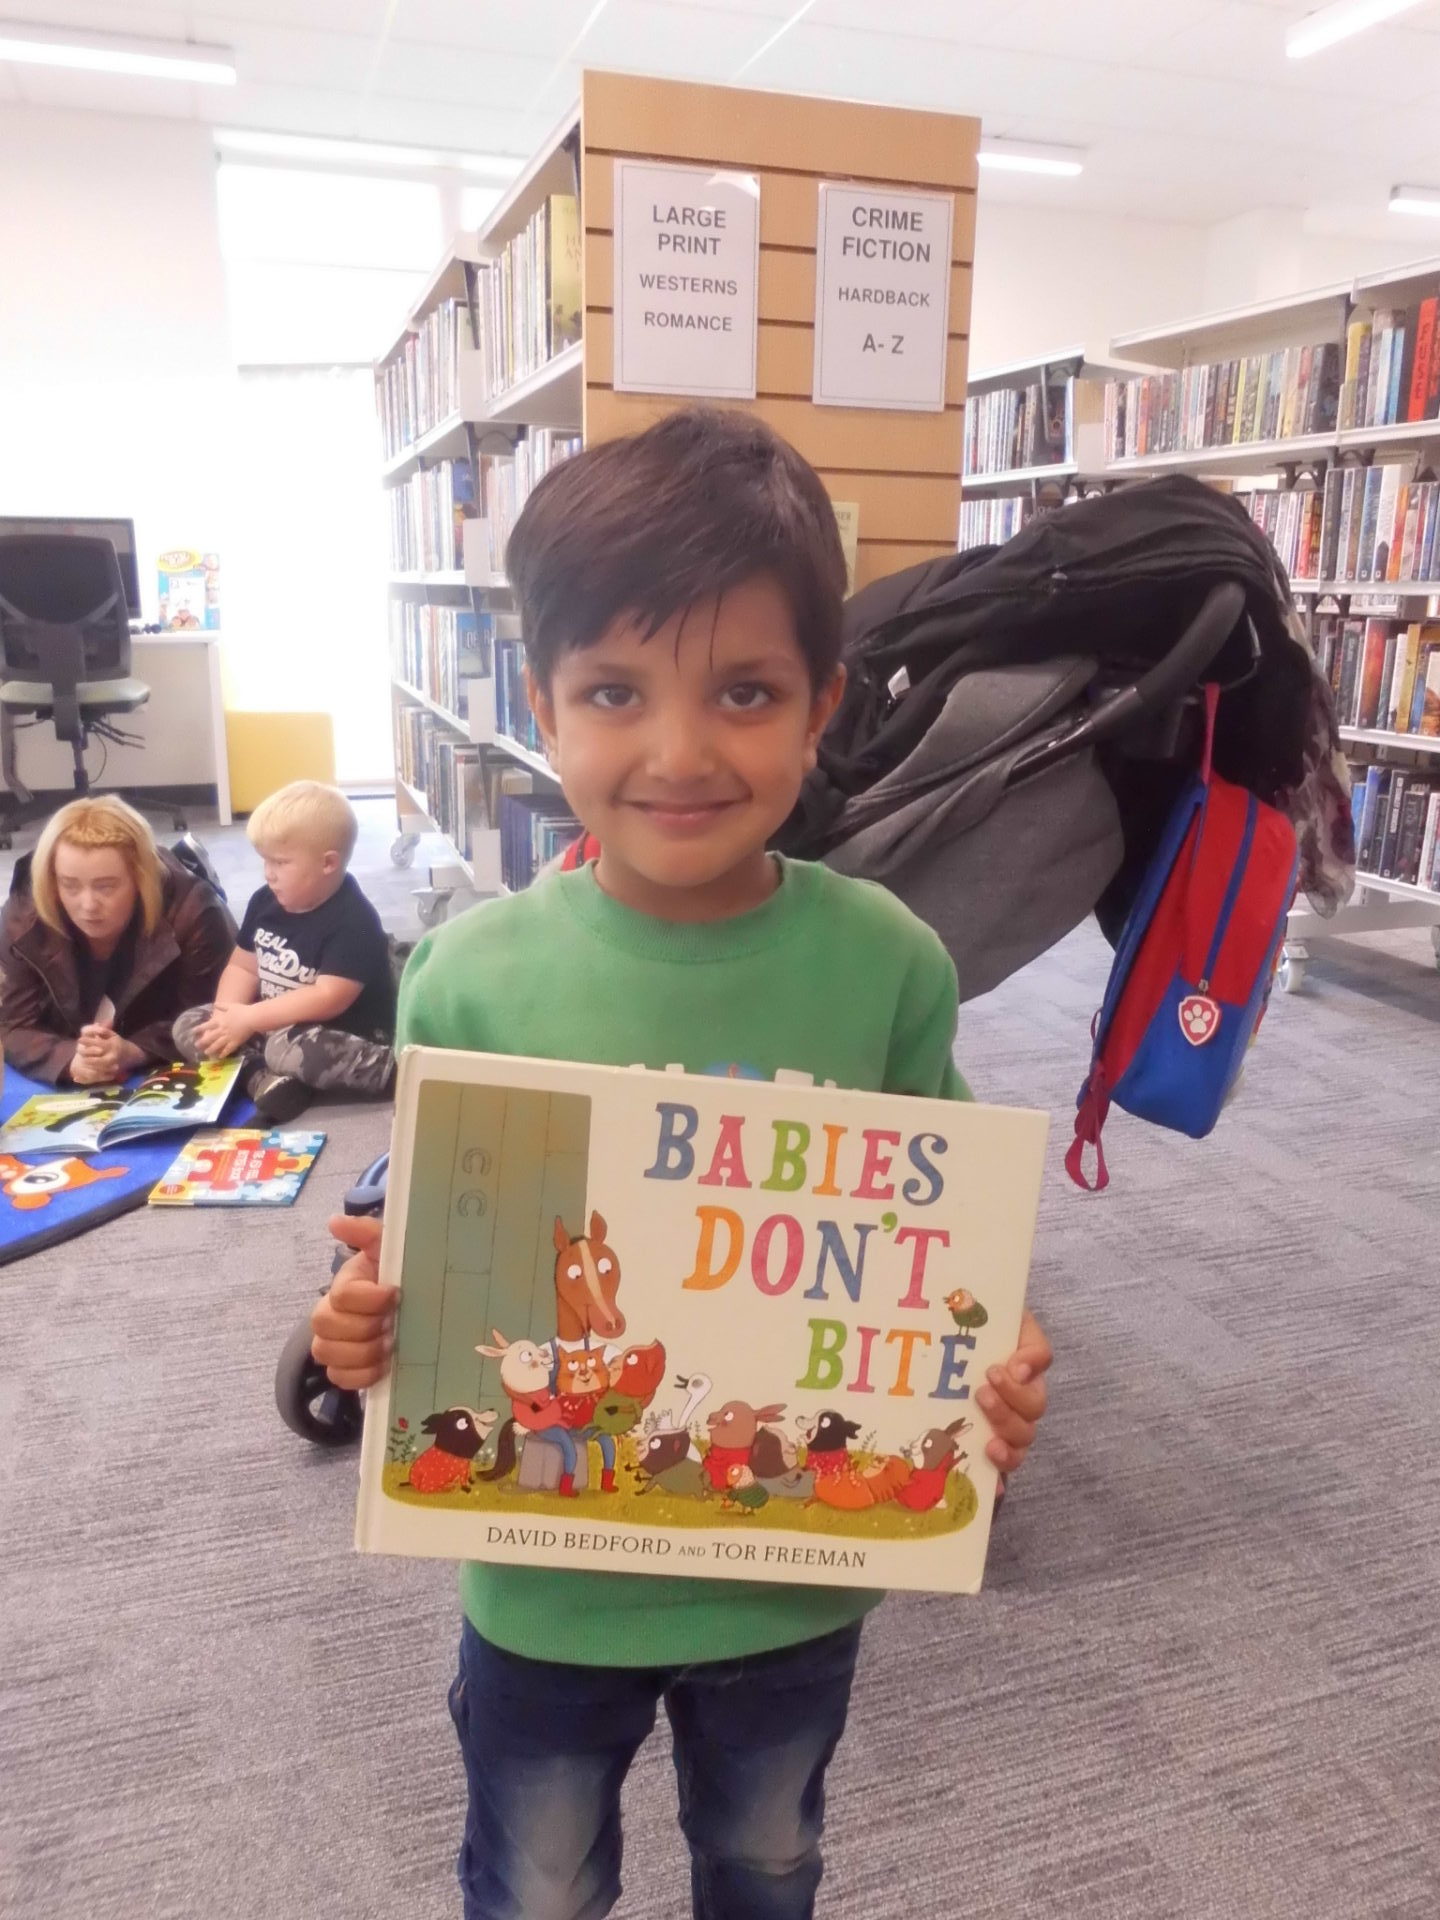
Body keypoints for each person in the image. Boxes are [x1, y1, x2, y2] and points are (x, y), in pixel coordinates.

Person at [310, 408, 1053, 1920]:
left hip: (791, 1582)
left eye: (745, 691)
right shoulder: (467, 982)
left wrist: (999, 1351)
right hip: (545, 1582)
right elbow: (438, 1268)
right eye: (613, 692)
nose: (680, 752)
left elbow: (945, 1237)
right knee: (537, 1881)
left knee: (768, 1858)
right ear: (542, 703)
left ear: (822, 703)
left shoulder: (889, 966)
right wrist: (365, 1331)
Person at [174, 780, 395, 1125]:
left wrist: (250, 1019)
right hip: (271, 1023)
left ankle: (391, 1073)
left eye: (280, 862)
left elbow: (329, 998)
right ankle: (263, 1080)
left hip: (338, 1033)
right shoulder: (265, 901)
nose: (268, 874)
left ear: (328, 863)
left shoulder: (355, 920)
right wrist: (226, 1016)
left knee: (286, 1048)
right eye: (265, 860)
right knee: (190, 1025)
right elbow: (243, 967)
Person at [0, 794, 234, 1086]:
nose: (88, 905)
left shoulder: (192, 911)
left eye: (106, 887)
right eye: (69, 885)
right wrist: (70, 1059)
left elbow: (214, 1015)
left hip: (156, 1046)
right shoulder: (24, 915)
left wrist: (135, 1051)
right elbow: (12, 1024)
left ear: (140, 879)